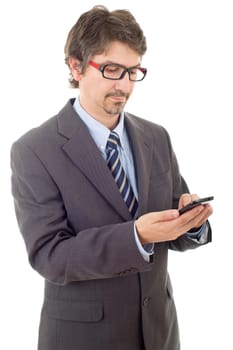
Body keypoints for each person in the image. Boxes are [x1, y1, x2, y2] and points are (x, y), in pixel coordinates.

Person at [10, 5, 213, 350]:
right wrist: (135, 236)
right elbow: (50, 255)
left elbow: (170, 228)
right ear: (76, 66)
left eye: (133, 71)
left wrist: (190, 224)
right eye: (112, 70)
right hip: (84, 338)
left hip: (159, 333)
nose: (124, 85)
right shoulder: (34, 150)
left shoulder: (156, 137)